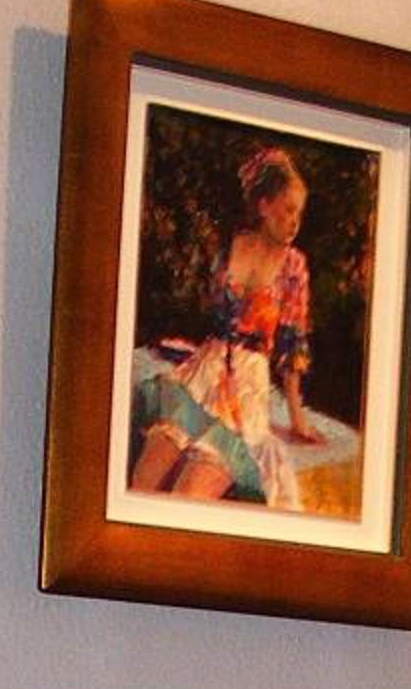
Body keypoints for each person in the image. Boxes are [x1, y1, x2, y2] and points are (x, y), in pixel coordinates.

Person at [129, 145, 323, 509]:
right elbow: (213, 315)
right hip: (203, 375)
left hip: (246, 390)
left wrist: (297, 418)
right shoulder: (231, 247)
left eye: (299, 213)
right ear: (264, 206)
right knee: (143, 484)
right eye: (288, 210)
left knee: (188, 498)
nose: (295, 222)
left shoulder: (294, 266)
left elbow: (291, 344)